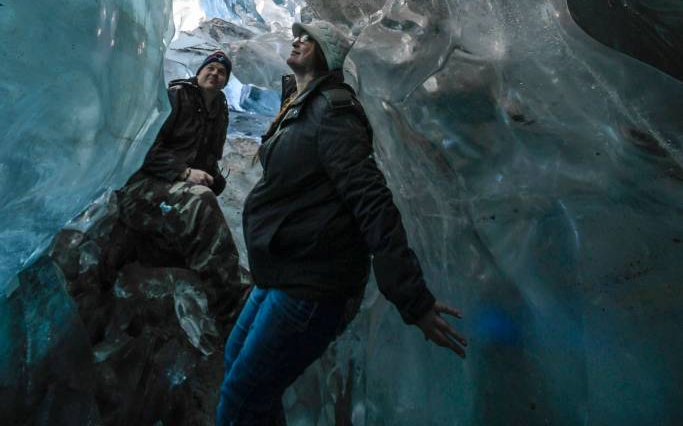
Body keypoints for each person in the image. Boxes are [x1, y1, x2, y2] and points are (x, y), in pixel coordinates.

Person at [216, 22, 466, 426]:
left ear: (326, 53)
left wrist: (411, 297)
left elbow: (371, 200)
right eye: (297, 35)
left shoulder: (333, 109)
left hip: (312, 283)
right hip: (283, 269)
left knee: (241, 396)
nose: (297, 40)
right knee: (239, 371)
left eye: (308, 38)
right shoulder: (301, 103)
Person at [117, 51, 246, 326]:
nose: (214, 73)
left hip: (170, 187)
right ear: (198, 73)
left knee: (207, 198)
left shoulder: (219, 109)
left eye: (221, 72)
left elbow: (209, 155)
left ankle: (221, 279)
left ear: (225, 82)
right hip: (140, 187)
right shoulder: (176, 97)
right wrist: (184, 172)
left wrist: (212, 175)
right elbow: (141, 147)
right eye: (209, 68)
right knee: (199, 200)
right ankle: (230, 303)